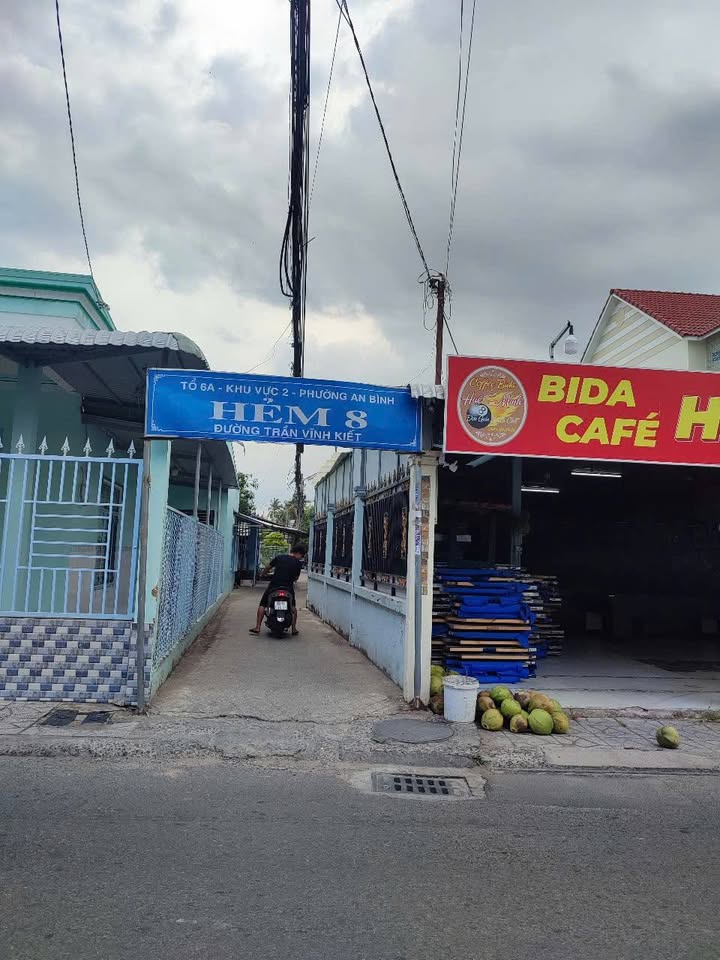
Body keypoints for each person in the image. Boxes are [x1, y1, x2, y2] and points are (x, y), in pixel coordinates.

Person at [250, 543, 307, 636]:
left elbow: (268, 567)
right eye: (302, 555)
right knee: (292, 607)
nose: (301, 557)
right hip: (288, 588)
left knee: (263, 604)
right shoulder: (298, 563)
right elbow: (296, 578)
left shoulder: (279, 557)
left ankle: (257, 627)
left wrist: (263, 574)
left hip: (274, 586)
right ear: (298, 553)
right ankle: (293, 629)